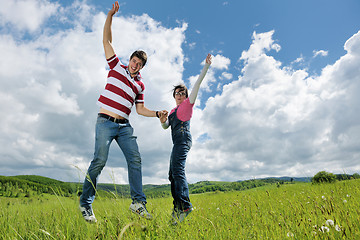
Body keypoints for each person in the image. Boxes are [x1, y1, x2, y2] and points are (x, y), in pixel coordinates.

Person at [79, 1, 166, 223]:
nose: (135, 64)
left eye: (139, 64)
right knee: (99, 160)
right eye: (134, 60)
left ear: (142, 67)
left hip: (125, 126)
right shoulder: (116, 66)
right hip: (105, 122)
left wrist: (157, 114)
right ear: (130, 60)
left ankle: (138, 203)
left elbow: (140, 109)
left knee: (135, 159)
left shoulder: (140, 86)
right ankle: (86, 204)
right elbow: (106, 40)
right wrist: (110, 16)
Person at [159, 54, 212, 224]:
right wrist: (162, 120)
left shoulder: (188, 105)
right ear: (174, 96)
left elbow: (197, 84)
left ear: (186, 95)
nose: (180, 95)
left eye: (182, 93)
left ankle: (185, 205)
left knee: (178, 170)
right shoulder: (173, 111)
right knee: (171, 174)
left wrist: (206, 67)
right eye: (177, 93)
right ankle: (177, 207)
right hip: (176, 143)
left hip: (183, 140)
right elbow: (166, 126)